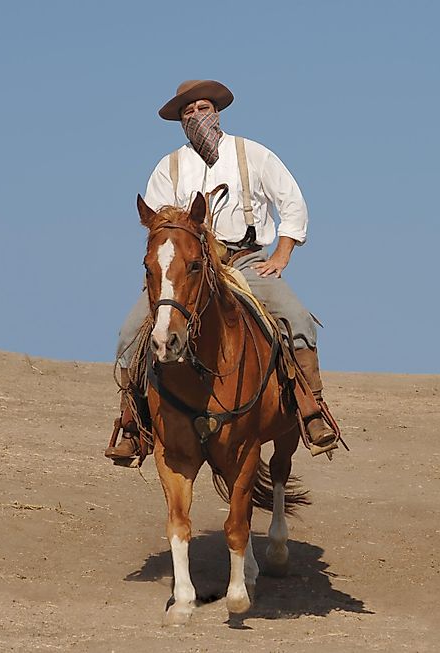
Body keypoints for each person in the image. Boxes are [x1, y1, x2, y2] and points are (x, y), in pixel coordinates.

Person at [106, 79, 337, 464]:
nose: (196, 116)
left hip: (244, 260)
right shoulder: (170, 167)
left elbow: (292, 203)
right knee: (130, 332)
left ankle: (312, 412)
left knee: (296, 319)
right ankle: (134, 425)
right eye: (187, 112)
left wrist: (281, 254)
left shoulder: (253, 154)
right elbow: (159, 226)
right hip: (190, 271)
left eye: (202, 108)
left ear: (217, 111)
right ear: (180, 121)